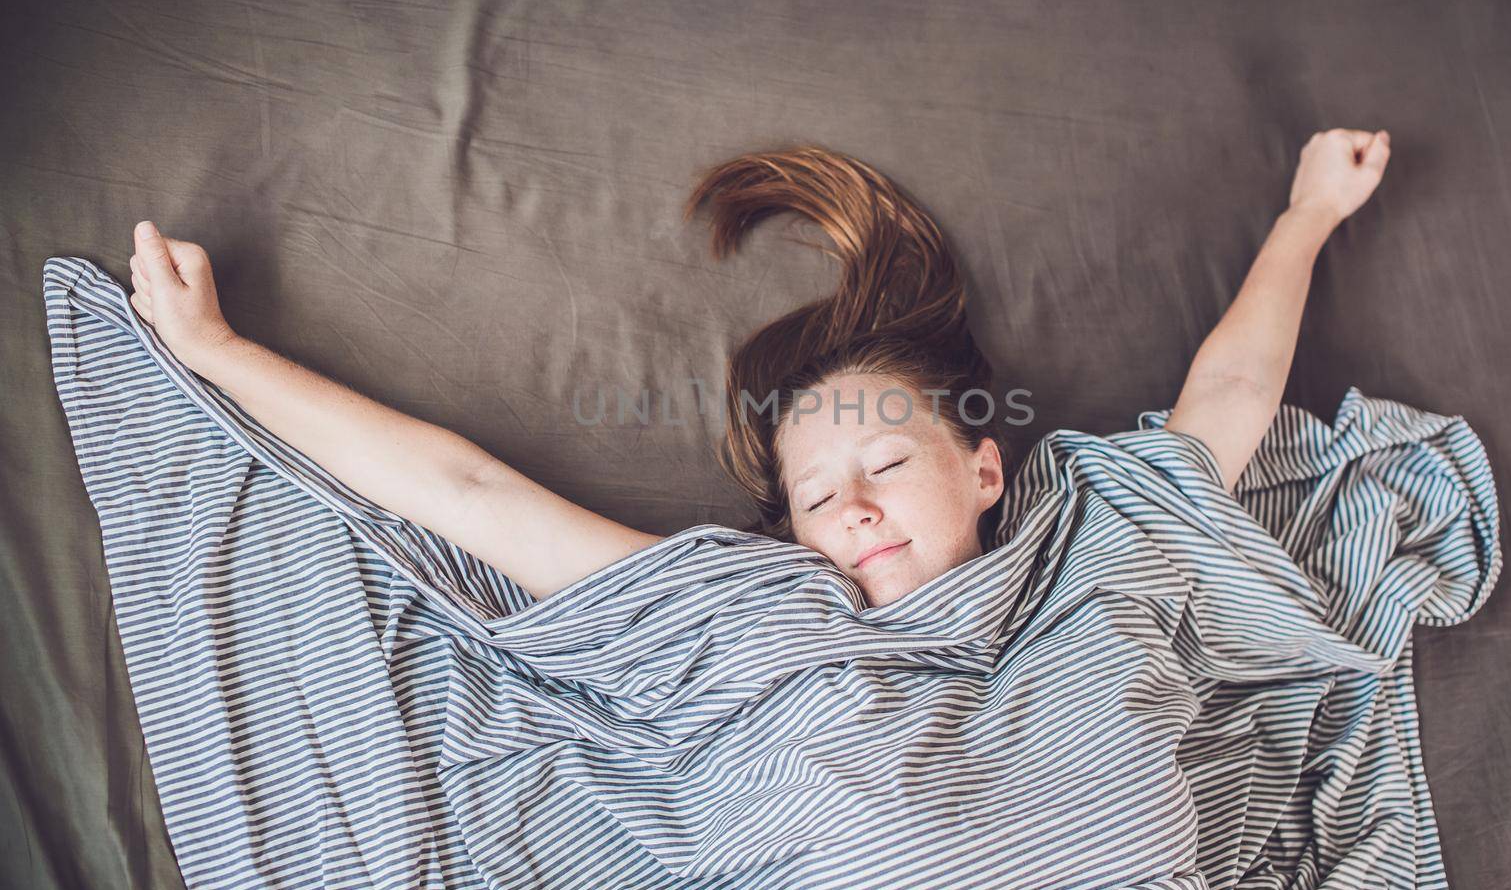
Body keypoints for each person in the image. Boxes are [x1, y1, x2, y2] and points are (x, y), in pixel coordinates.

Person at [125, 128, 1390, 608]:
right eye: (816, 497)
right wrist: (219, 353)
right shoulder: (748, 613)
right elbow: (471, 497)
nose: (850, 505)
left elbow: (1225, 403)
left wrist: (1306, 218)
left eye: (889, 461)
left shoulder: (1097, 558)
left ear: (989, 467)